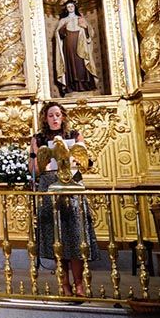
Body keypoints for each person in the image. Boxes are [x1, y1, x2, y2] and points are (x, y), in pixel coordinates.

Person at [29, 102, 99, 297]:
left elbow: (86, 162)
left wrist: (77, 160)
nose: (55, 118)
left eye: (58, 114)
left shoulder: (74, 136)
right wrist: (37, 157)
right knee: (57, 237)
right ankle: (65, 284)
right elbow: (33, 170)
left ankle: (79, 284)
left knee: (75, 235)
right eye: (50, 115)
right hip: (49, 186)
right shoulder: (38, 139)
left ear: (63, 117)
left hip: (71, 186)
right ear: (45, 118)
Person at [54, 0, 97, 95]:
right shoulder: (63, 20)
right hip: (68, 45)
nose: (70, 8)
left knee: (81, 63)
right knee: (70, 63)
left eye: (72, 6)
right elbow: (58, 35)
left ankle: (84, 85)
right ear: (66, 9)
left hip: (81, 44)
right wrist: (62, 29)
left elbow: (89, 33)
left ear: (75, 7)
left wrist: (85, 28)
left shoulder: (81, 18)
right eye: (68, 7)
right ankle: (71, 85)